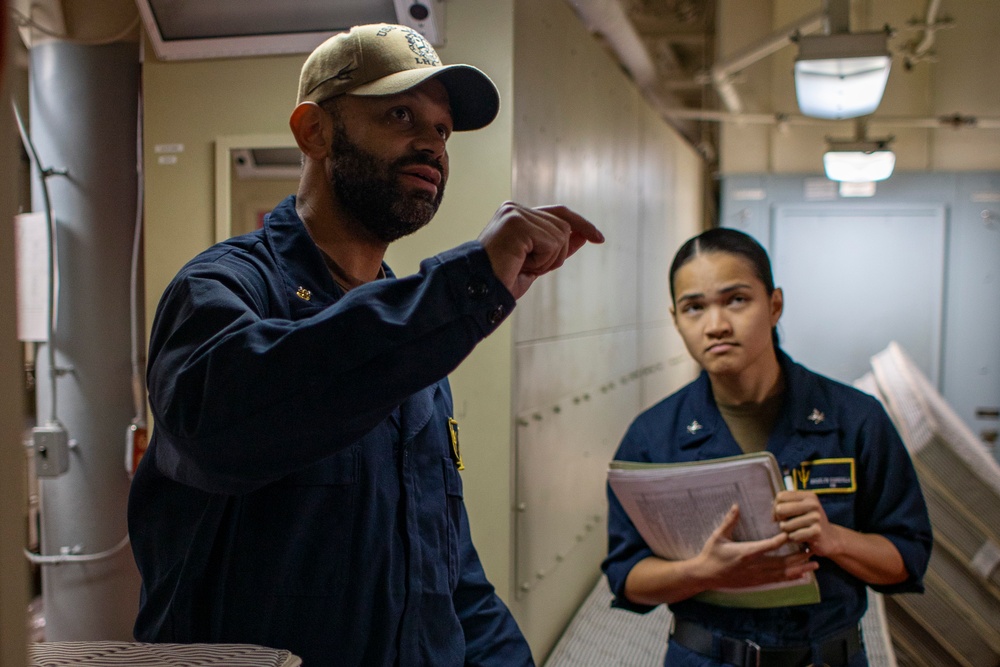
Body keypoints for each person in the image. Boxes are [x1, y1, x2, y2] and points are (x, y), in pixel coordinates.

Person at [128, 23, 603, 666]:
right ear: (313, 132)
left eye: (442, 130)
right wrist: (459, 290)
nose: (431, 146)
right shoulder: (222, 289)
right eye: (401, 115)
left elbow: (448, 575)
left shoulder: (421, 344)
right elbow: (226, 426)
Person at [602, 228, 931, 667]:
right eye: (694, 307)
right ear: (676, 318)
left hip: (827, 655)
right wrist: (700, 572)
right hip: (705, 656)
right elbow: (627, 577)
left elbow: (906, 560)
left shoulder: (855, 420)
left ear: (774, 305)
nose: (716, 325)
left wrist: (834, 539)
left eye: (736, 299)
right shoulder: (654, 436)